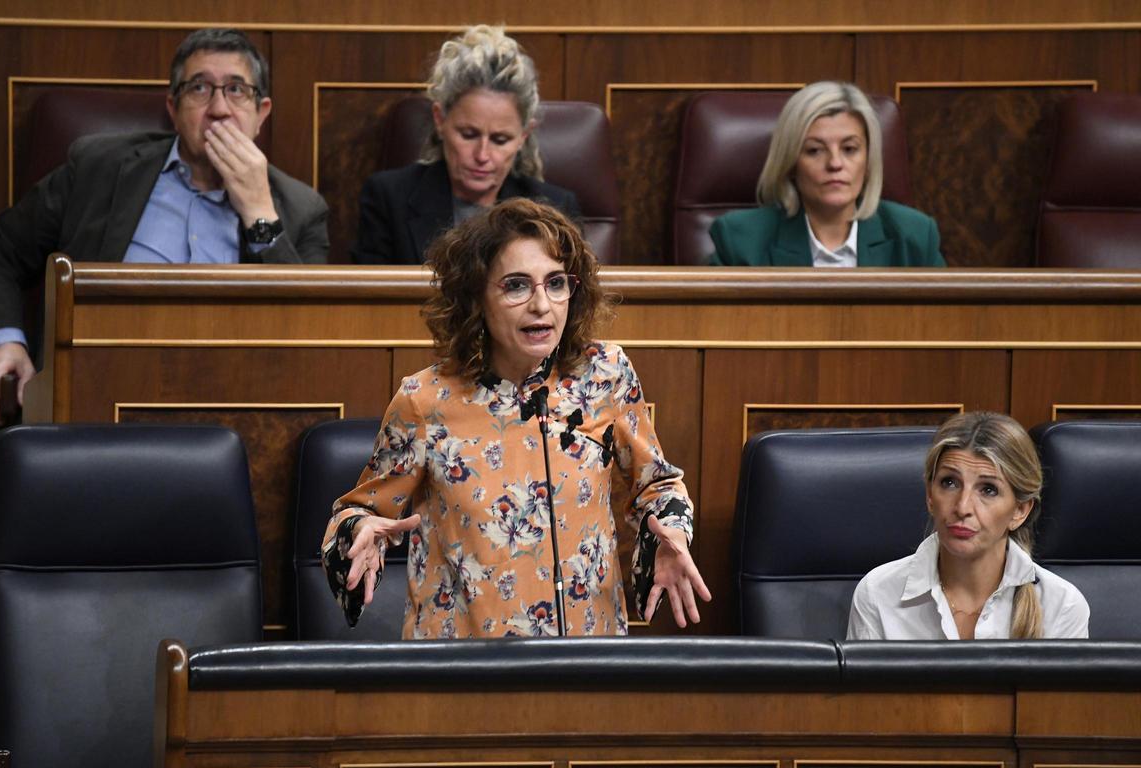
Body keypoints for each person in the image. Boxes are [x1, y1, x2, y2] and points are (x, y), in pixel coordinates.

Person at [323, 197, 709, 638]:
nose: (542, 305)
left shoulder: (605, 375)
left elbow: (657, 485)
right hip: (462, 658)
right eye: (516, 286)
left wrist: (671, 531)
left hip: (586, 651)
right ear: (476, 297)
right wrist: (358, 531)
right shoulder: (424, 400)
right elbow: (357, 511)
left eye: (556, 283)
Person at [0, 27, 330, 424]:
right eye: (199, 88)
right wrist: (5, 344)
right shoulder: (99, 168)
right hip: (95, 401)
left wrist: (259, 213)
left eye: (237, 90)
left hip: (234, 413)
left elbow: (311, 339)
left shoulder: (301, 208)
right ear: (173, 107)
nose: (219, 109)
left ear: (262, 113)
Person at [350, 25, 580, 265]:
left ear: (523, 135)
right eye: (468, 135)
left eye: (500, 140)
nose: (482, 155)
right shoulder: (388, 197)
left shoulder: (555, 208)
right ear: (440, 120)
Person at [848, 412, 1089, 640]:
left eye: (988, 490)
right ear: (930, 496)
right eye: (949, 483)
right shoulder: (878, 593)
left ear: (1020, 510)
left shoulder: (1062, 606)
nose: (963, 507)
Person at [708, 81, 945, 268]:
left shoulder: (914, 236)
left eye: (849, 149)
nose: (835, 163)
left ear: (869, 160)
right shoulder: (739, 241)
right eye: (815, 150)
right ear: (790, 163)